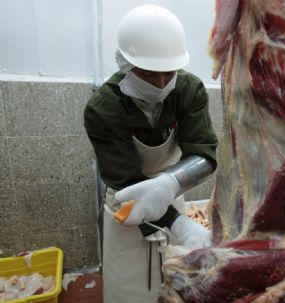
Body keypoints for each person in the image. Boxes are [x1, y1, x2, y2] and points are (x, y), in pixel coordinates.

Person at [83, 4, 218, 303]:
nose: (160, 84)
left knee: (175, 286)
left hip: (173, 190)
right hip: (126, 203)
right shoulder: (103, 108)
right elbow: (124, 177)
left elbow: (204, 154)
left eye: (168, 73)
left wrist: (169, 185)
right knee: (129, 292)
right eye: (148, 74)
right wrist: (178, 224)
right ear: (125, 64)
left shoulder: (189, 90)